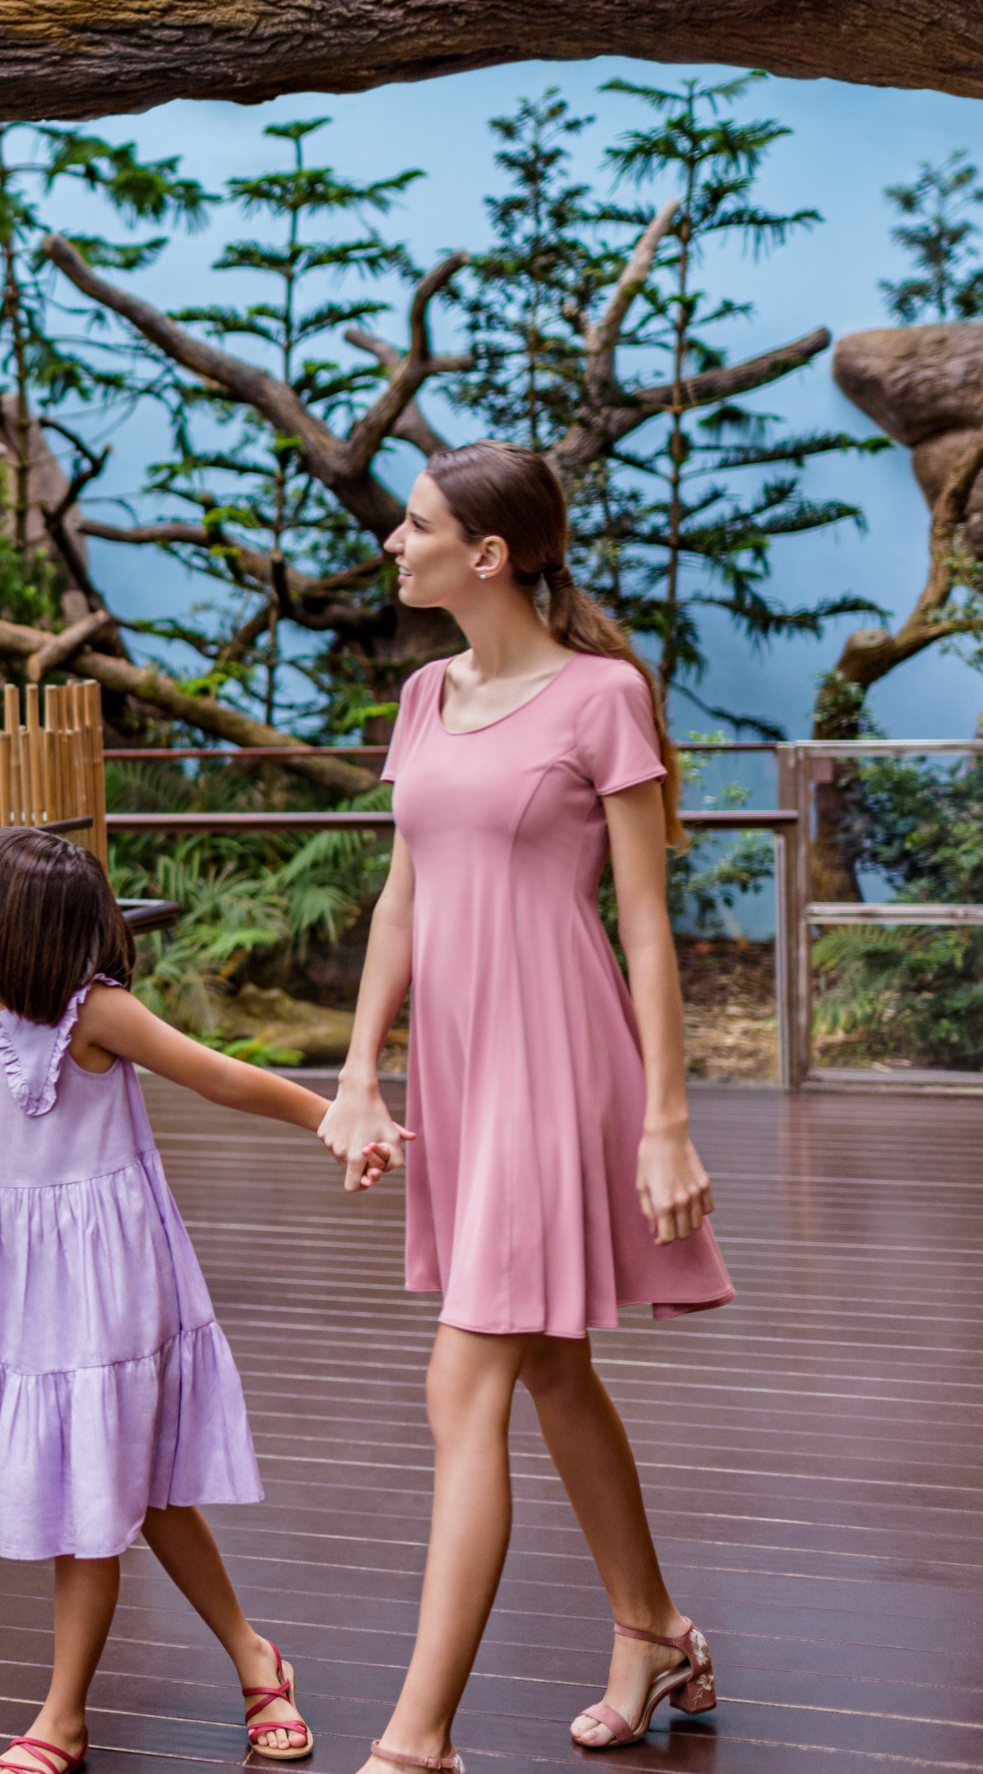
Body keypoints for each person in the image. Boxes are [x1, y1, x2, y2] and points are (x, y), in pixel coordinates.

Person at [318, 442, 734, 1774]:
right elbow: (406, 894)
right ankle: (653, 1625)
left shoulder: (602, 698)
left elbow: (651, 933)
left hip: (560, 1058)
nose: (397, 541)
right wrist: (359, 1069)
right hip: (457, 1062)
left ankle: (416, 1737)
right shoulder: (426, 693)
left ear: (487, 557)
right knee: (552, 1364)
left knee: (467, 1379)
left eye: (420, 525)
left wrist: (666, 1120)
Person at [0, 827, 394, 1772]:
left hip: (107, 1272)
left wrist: (327, 1116)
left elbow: (213, 1072)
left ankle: (62, 1720)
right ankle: (256, 1659)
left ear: (14, 922)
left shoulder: (94, 1011)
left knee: (95, 1483)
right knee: (145, 1492)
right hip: (18, 1275)